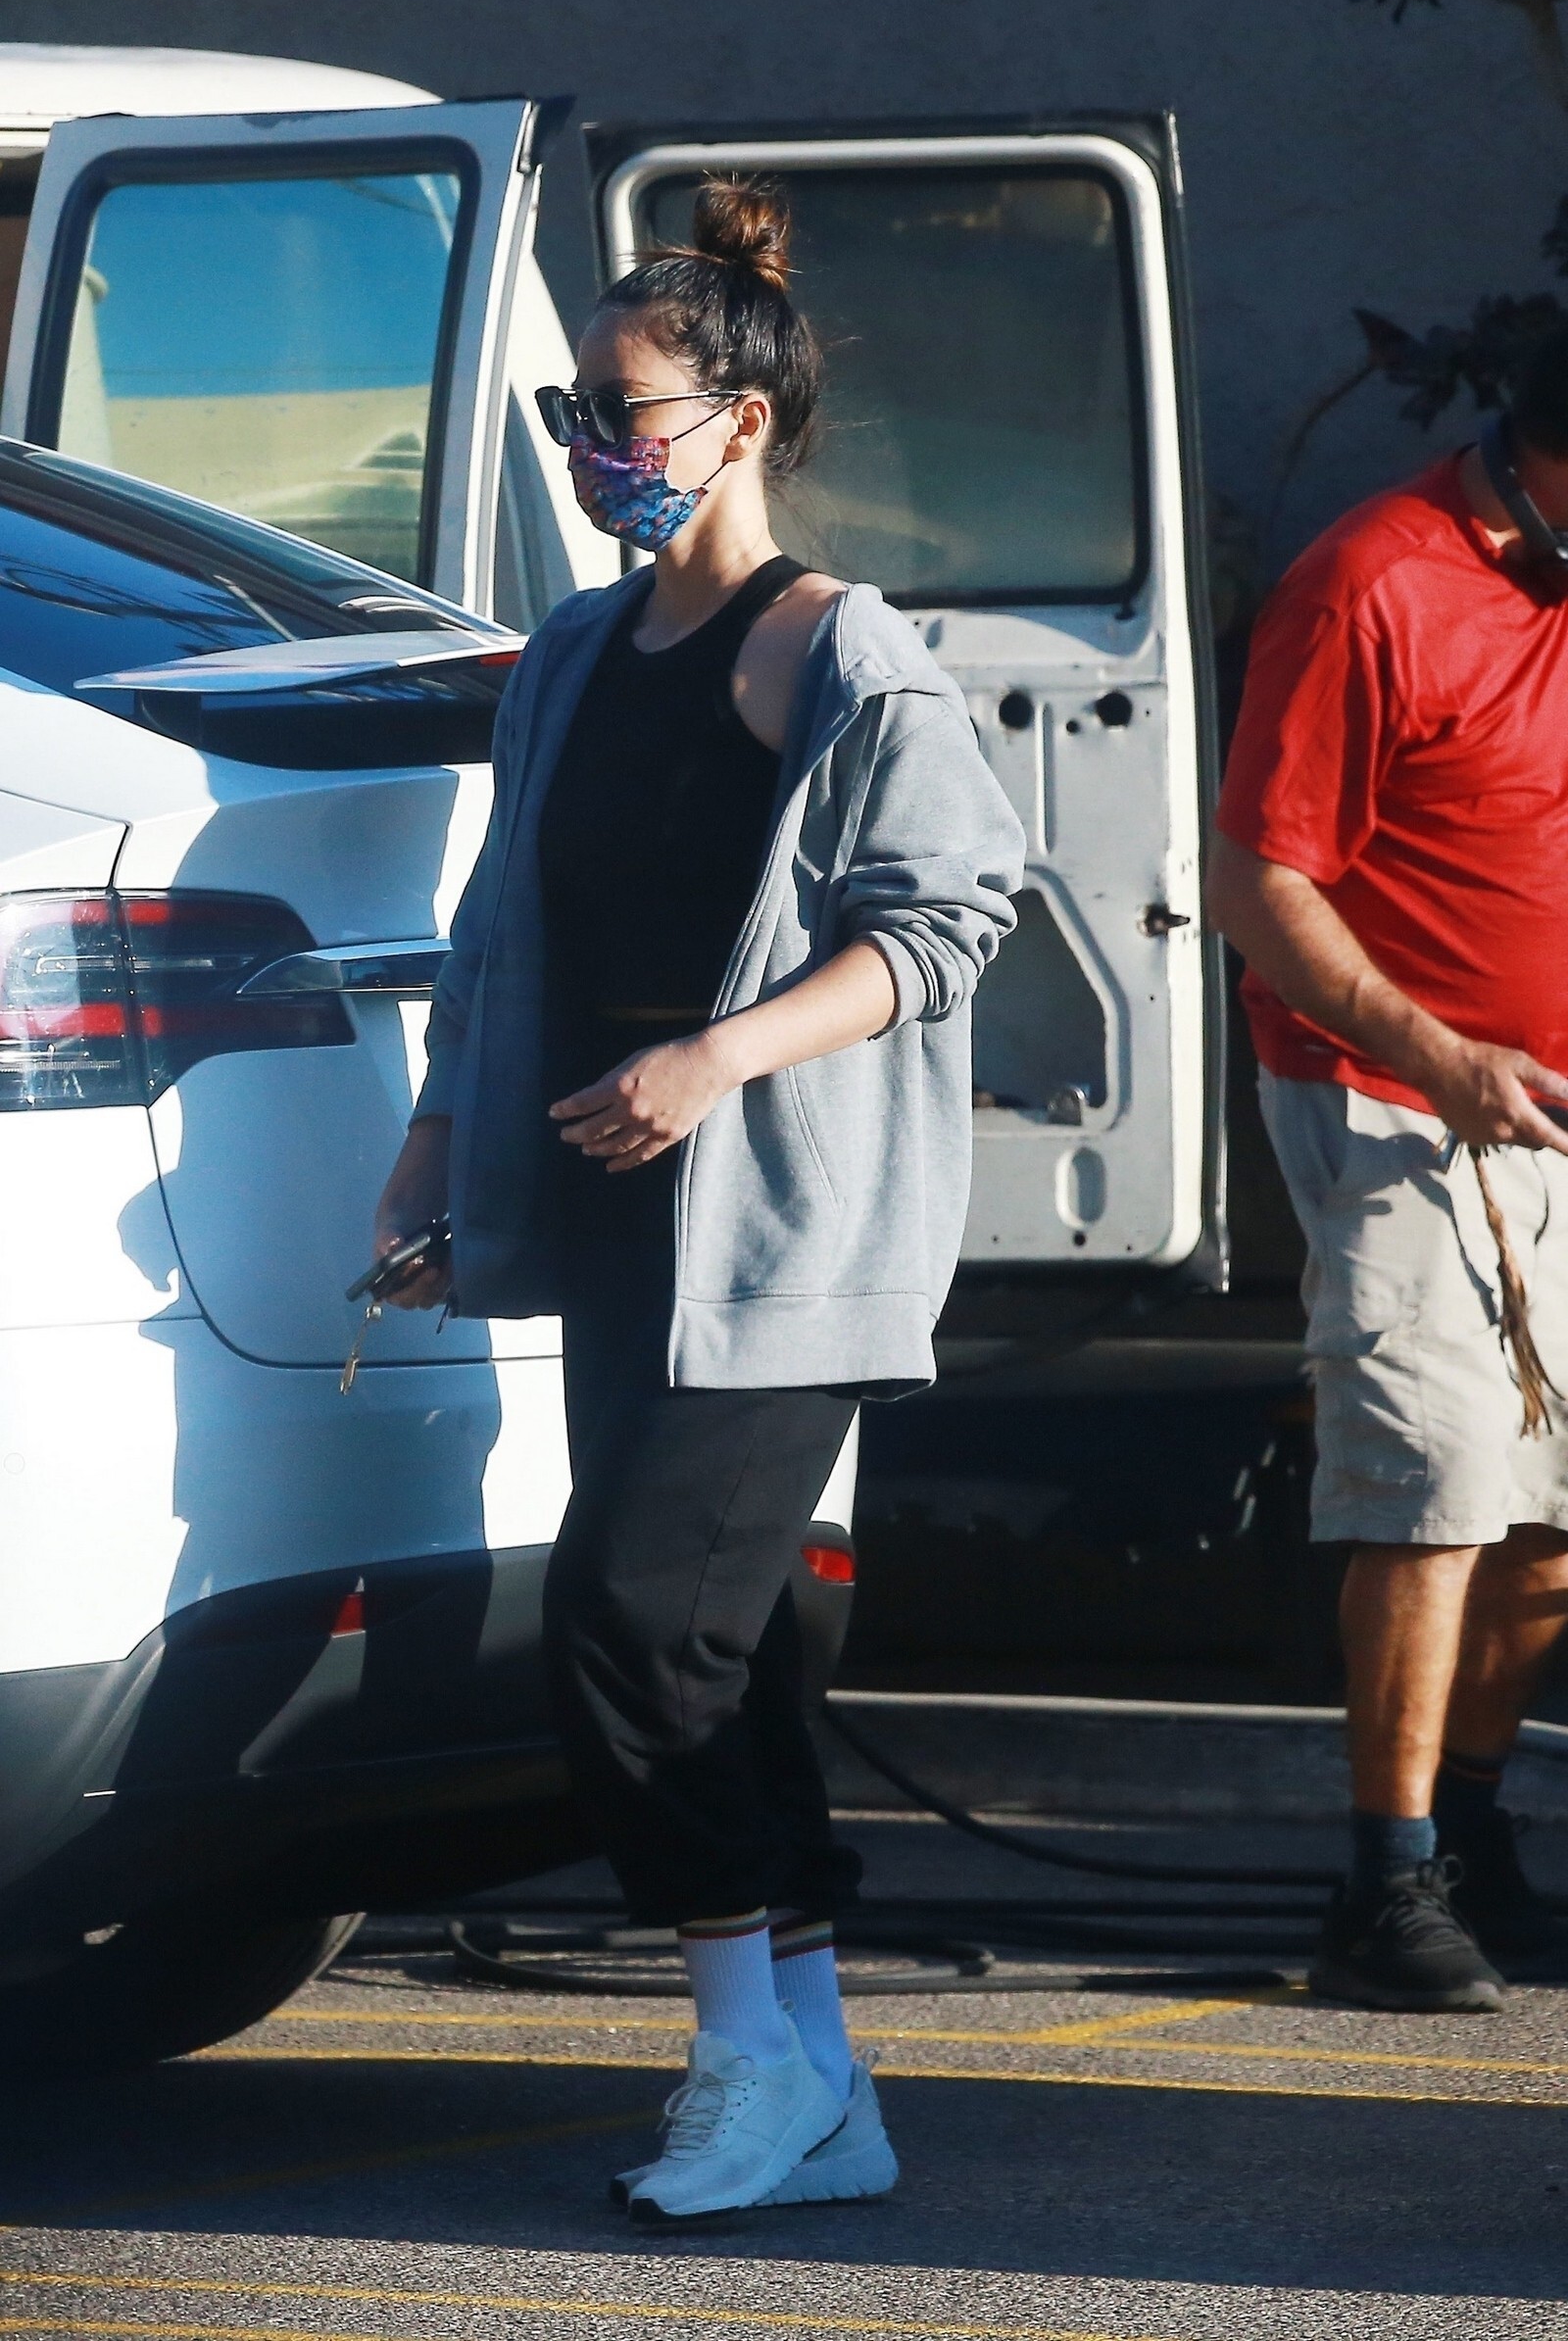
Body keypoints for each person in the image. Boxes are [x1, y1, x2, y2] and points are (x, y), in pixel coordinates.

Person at [372, 177, 1024, 2217]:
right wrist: (432, 1149)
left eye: (624, 416)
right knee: (724, 1653)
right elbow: (500, 930)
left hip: (786, 1228)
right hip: (610, 1211)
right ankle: (817, 2082)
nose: (594, 450)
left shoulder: (841, 649)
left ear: (738, 421)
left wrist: (715, 1057)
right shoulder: (573, 651)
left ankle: (740, 2057)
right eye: (572, 412)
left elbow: (948, 922)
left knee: (628, 1622)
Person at [1208, 322, 1568, 2013]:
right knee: (1434, 1489)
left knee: (1548, 1521)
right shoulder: (1373, 583)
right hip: (1393, 1099)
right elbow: (1257, 885)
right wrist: (1438, 1053)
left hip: (1546, 1109)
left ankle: (1473, 1839)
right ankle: (1385, 1881)